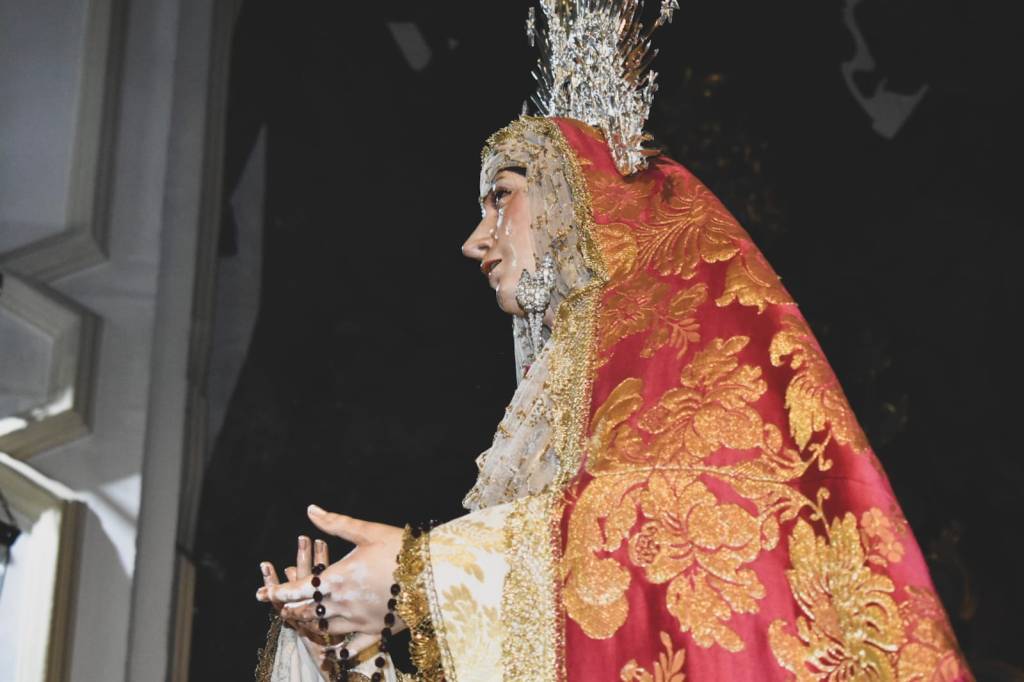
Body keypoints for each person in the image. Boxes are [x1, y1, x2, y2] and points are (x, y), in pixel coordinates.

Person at [255, 3, 972, 681]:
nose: (476, 240)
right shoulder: (569, 428)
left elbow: (663, 547)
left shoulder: (703, 391)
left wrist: (420, 576)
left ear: (584, 201)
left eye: (501, 196)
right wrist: (343, 653)